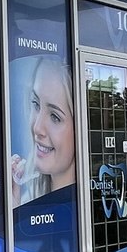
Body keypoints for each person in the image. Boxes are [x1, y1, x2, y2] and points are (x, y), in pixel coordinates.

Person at [10, 56, 76, 207]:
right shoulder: (28, 199)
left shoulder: (82, 208)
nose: (37, 128)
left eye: (55, 116)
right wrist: (14, 208)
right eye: (36, 104)